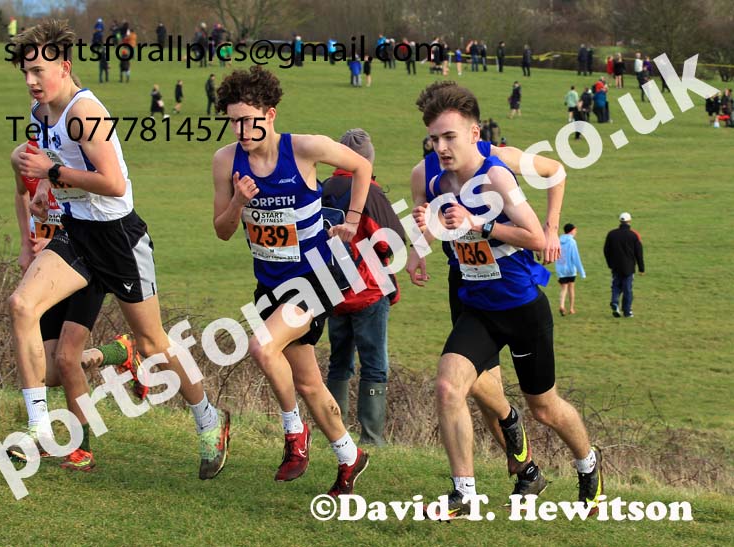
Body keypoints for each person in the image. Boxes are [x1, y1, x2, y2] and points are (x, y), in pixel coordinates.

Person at [9, 20, 230, 481]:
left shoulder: (83, 111)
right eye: (25, 71)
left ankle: (209, 418)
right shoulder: (39, 115)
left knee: (154, 343)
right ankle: (37, 429)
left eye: (38, 70)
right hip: (76, 234)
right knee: (22, 306)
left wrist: (51, 174)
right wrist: (44, 196)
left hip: (118, 239)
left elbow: (113, 183)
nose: (31, 80)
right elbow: (61, 176)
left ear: (64, 67)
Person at [412, 83, 603, 518]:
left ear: (474, 133)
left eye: (450, 137)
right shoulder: (426, 174)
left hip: (520, 306)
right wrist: (421, 240)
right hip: (474, 300)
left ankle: (588, 466)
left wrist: (482, 225)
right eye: (434, 139)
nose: (440, 147)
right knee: (450, 386)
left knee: (545, 407)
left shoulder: (498, 172)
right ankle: (464, 493)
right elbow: (428, 224)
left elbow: (535, 235)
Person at [211, 65, 372, 496]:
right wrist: (239, 203)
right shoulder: (226, 162)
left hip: (315, 278)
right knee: (307, 382)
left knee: (262, 347)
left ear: (271, 113)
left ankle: (294, 435)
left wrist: (352, 221)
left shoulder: (304, 149)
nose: (242, 130)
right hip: (271, 285)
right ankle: (348, 456)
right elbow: (223, 231)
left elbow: (361, 166)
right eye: (233, 121)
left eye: (250, 119)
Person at [7, 138, 148, 470]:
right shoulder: (24, 159)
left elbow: (103, 205)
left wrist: (54, 236)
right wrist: (26, 245)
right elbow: (21, 194)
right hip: (50, 268)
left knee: (67, 359)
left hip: (87, 259)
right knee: (52, 372)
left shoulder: (79, 160)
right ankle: (120, 352)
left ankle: (80, 448)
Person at [323, 129, 406, 446]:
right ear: (368, 159)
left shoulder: (324, 188)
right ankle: (371, 437)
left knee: (339, 363)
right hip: (368, 291)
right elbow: (391, 243)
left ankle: (333, 432)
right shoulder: (370, 192)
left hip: (332, 291)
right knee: (374, 366)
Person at [603, 212, 644, 318]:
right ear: (629, 222)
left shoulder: (611, 234)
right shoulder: (634, 235)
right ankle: (627, 311)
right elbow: (639, 252)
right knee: (627, 289)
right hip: (629, 267)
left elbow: (606, 250)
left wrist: (610, 263)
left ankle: (615, 302)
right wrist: (641, 268)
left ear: (620, 221)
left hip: (615, 266)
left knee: (616, 286)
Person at [555, 223, 586, 315]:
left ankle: (562, 305)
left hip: (560, 268)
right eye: (575, 230)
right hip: (570, 269)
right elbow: (575, 257)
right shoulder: (572, 242)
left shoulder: (558, 240)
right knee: (571, 288)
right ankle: (571, 308)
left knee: (563, 288)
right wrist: (582, 271)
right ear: (571, 230)